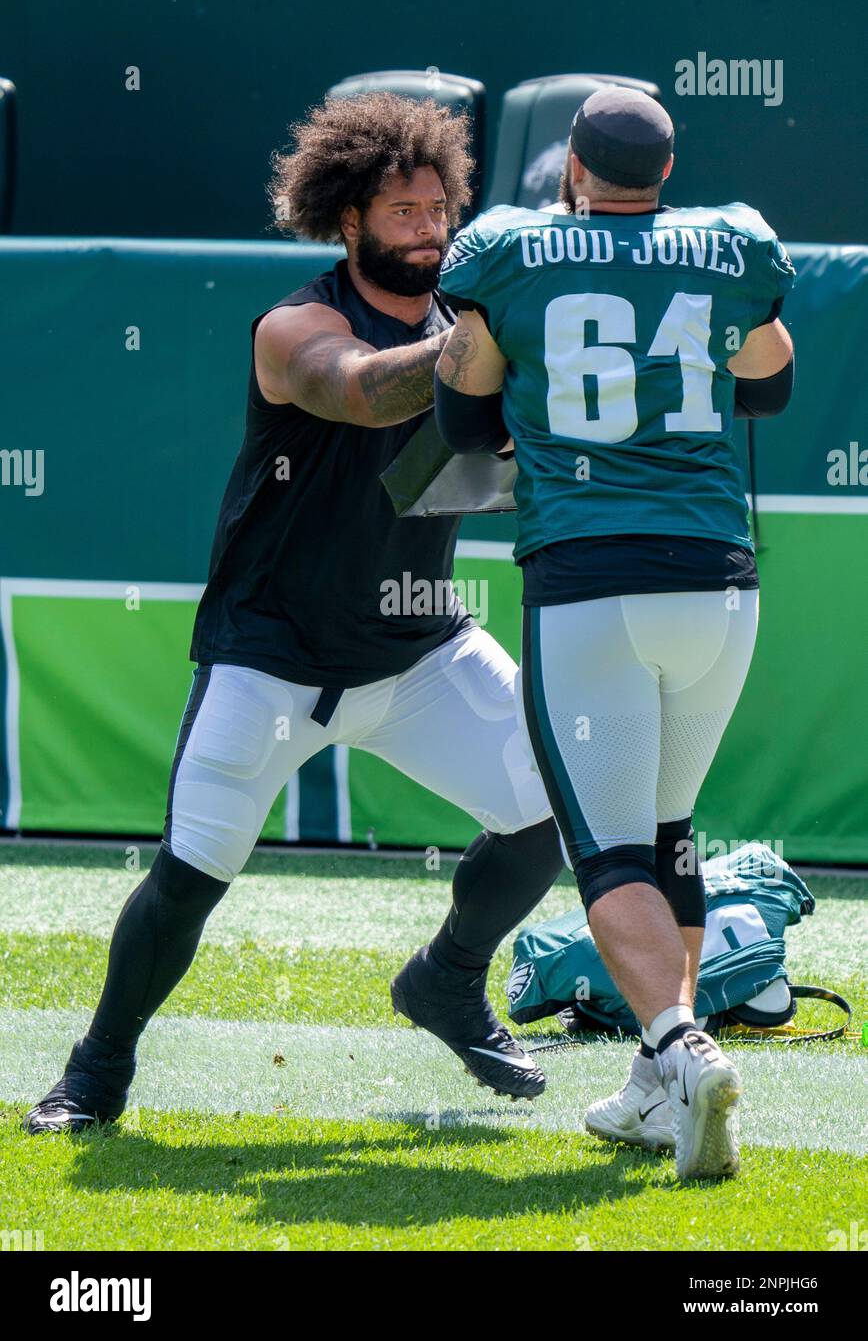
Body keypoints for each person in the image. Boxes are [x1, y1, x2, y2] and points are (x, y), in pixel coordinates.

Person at [23, 93, 565, 1135]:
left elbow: (437, 483)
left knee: (549, 811)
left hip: (415, 649)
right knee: (188, 878)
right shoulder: (296, 324)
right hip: (271, 656)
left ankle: (446, 979)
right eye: (401, 210)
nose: (426, 228)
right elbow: (360, 393)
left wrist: (519, 427)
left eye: (437, 208)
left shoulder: (469, 328)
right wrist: (489, 344)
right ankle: (98, 1068)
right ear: (348, 219)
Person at [434, 86, 795, 1179]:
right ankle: (653, 1087)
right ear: (665, 172)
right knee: (672, 829)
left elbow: (466, 412)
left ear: (570, 169)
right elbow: (767, 385)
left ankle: (680, 1047)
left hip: (591, 578)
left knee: (608, 850)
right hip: (718, 583)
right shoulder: (728, 241)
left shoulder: (509, 246)